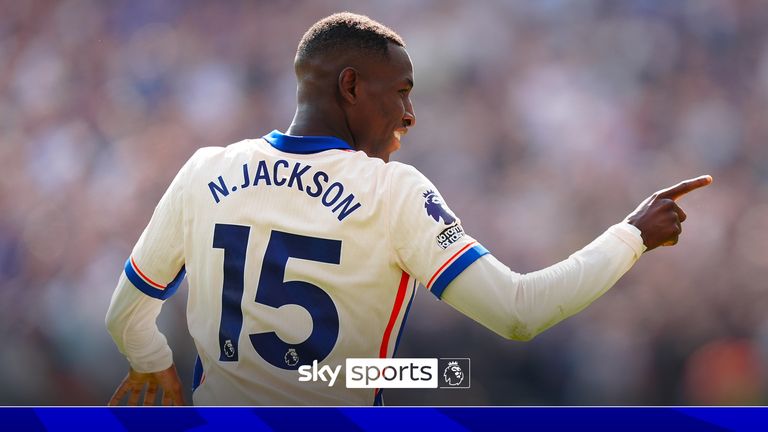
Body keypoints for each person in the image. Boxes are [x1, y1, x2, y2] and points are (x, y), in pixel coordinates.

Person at [106, 12, 712, 406]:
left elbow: (126, 315)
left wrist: (153, 361)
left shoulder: (205, 169)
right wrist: (633, 235)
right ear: (349, 87)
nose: (410, 115)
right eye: (400, 92)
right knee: (447, 381)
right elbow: (519, 314)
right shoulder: (392, 192)